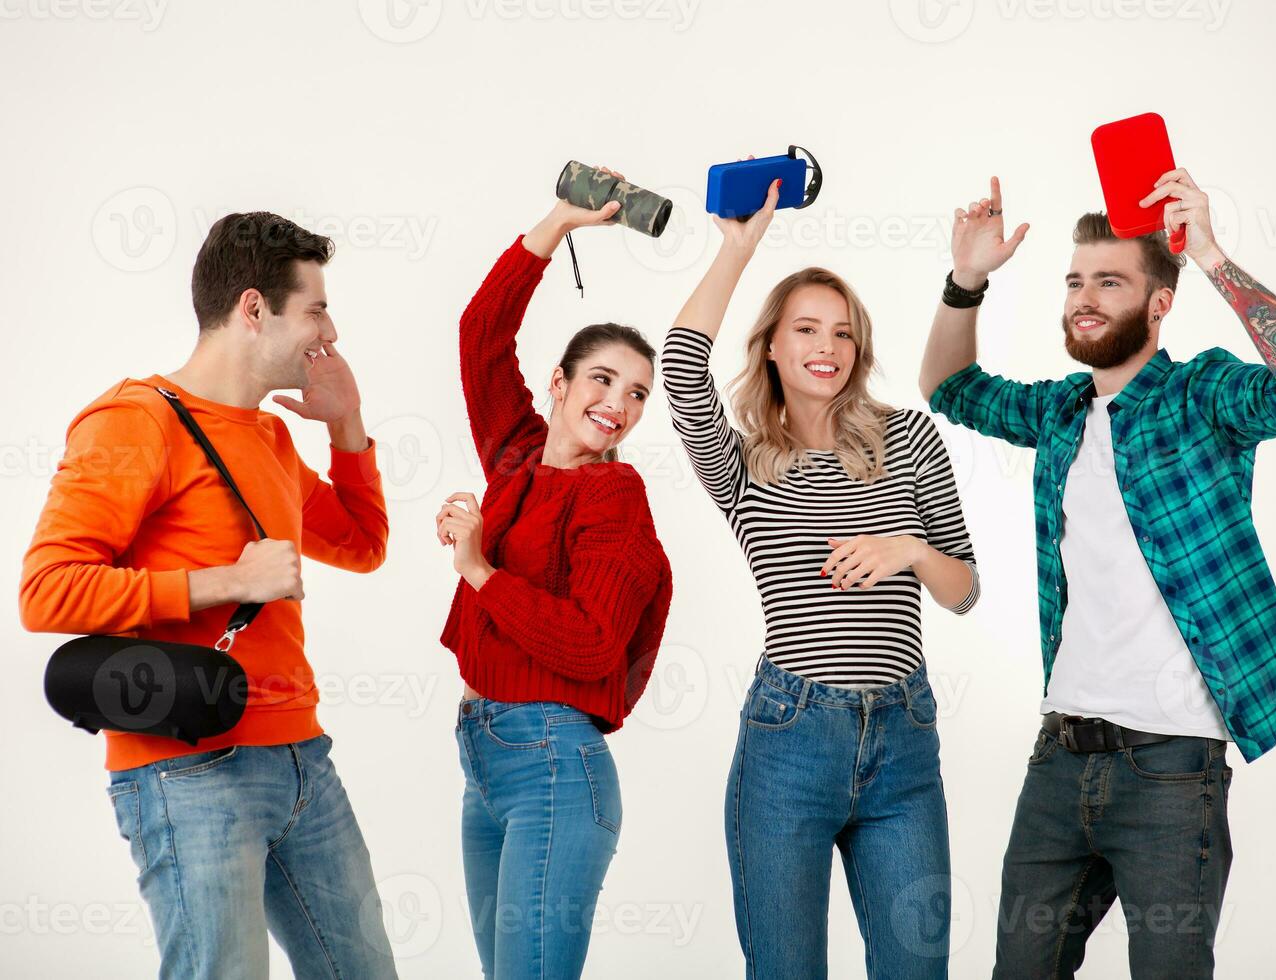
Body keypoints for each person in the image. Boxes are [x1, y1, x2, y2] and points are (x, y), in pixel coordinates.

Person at [919, 173, 1276, 979]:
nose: (1084, 297)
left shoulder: (1201, 395)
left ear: (1159, 302)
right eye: (1076, 280)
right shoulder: (1061, 411)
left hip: (1172, 771)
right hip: (1058, 760)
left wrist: (1211, 254)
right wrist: (966, 279)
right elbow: (947, 388)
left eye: (1110, 281)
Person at [20, 211, 398, 978]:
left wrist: (348, 425)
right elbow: (46, 591)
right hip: (188, 770)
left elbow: (362, 546)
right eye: (316, 308)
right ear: (254, 309)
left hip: (301, 759)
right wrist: (229, 581)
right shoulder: (134, 421)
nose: (329, 331)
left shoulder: (269, 438)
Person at [662, 177, 980, 979]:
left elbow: (965, 590)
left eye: (842, 332)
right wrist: (737, 248)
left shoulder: (908, 438)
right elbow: (679, 371)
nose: (826, 347)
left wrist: (907, 548)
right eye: (805, 328)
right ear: (771, 343)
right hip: (789, 746)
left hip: (903, 745)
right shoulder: (743, 465)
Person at [434, 168, 674, 979]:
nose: (619, 404)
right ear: (559, 384)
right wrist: (558, 226)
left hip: (553, 766)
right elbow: (479, 336)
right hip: (485, 763)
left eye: (638, 394)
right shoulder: (515, 456)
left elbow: (594, 645)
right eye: (602, 379)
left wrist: (479, 571)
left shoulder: (615, 494)